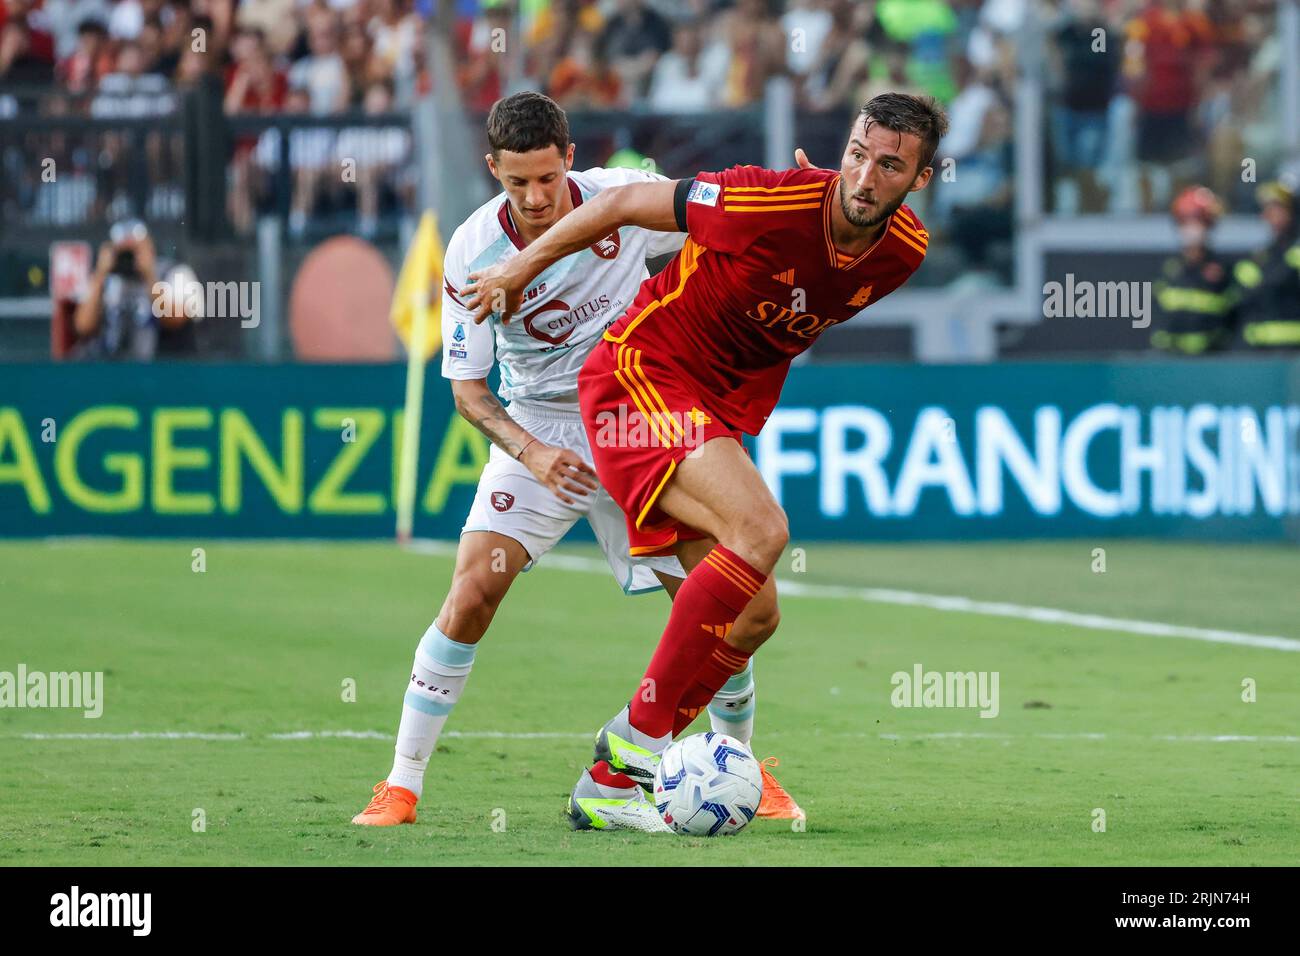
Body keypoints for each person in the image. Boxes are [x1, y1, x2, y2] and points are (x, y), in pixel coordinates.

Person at [464, 92, 943, 815]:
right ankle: (632, 748)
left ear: (921, 180)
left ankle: (607, 790)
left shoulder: (904, 253)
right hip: (639, 373)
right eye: (855, 154)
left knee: (754, 616)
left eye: (888, 165)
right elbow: (622, 201)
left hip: (702, 410)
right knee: (764, 530)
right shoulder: (765, 200)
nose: (864, 176)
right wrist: (517, 269)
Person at [351, 92, 801, 833]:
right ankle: (400, 784)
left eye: (546, 180)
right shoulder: (473, 252)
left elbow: (720, 220)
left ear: (569, 157)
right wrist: (534, 452)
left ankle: (741, 764)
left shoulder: (619, 205)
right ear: (493, 169)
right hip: (542, 428)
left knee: (719, 600)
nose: (534, 199)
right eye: (515, 183)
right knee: (470, 595)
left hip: (635, 413)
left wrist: (794, 197)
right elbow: (468, 390)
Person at [72, 218, 199, 360]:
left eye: (134, 251)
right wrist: (100, 274)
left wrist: (149, 275)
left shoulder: (175, 273)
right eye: (123, 252)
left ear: (150, 247)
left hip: (164, 371)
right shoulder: (104, 281)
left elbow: (174, 320)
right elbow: (83, 327)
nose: (128, 258)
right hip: (113, 369)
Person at [1151, 185, 1234, 355]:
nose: (1191, 228)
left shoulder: (1223, 272)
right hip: (1170, 363)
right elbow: (1160, 321)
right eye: (1185, 220)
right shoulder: (1169, 271)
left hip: (1210, 363)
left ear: (1209, 224)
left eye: (1197, 220)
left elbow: (1232, 320)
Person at [1233, 180, 1300, 350]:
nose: (1271, 214)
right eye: (1268, 208)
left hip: (1293, 355)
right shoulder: (1257, 258)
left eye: (1278, 208)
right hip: (1259, 354)